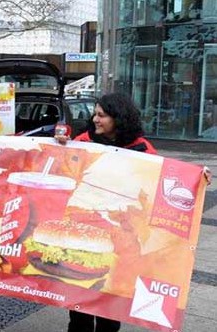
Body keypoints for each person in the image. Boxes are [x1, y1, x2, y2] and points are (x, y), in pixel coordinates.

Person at [56, 93, 154, 332]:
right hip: (85, 232)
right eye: (95, 114)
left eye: (102, 115)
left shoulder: (142, 149)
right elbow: (65, 168)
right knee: (80, 303)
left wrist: (199, 178)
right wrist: (61, 146)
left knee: (110, 305)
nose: (95, 119)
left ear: (118, 119)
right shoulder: (84, 141)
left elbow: (163, 179)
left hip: (120, 236)